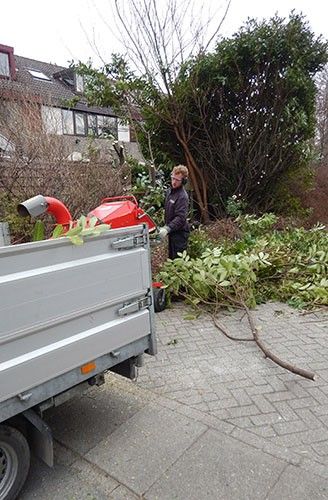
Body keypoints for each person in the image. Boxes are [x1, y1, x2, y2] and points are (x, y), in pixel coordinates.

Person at [158, 165, 190, 259]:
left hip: (180, 235)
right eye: (173, 178)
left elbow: (180, 218)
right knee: (171, 258)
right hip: (172, 232)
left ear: (183, 181)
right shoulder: (170, 192)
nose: (174, 182)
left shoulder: (182, 196)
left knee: (178, 261)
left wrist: (168, 228)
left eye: (177, 180)